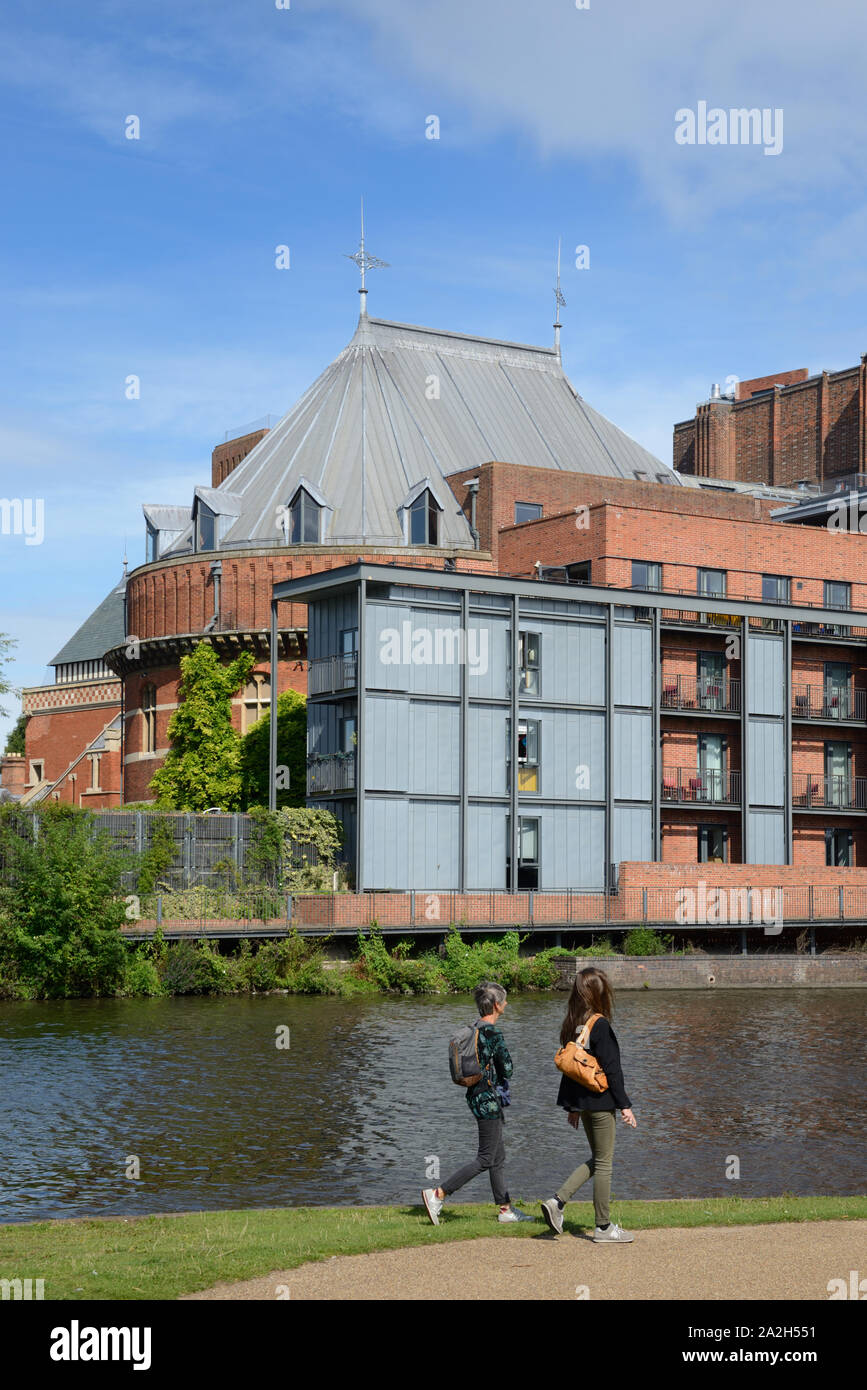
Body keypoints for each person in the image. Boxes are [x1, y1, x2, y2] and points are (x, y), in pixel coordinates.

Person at [422, 981, 534, 1225]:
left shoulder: (473, 1028)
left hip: (475, 1094)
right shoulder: (492, 1032)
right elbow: (508, 1068)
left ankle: (505, 1210)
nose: (506, 1004)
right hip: (487, 1100)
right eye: (504, 1001)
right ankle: (438, 1194)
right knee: (485, 1157)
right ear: (496, 1005)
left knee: (498, 1156)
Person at [540, 966, 637, 1242]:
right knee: (605, 1163)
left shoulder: (573, 1022)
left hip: (583, 1104)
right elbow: (612, 1069)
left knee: (598, 1159)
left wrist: (572, 1107)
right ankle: (603, 1227)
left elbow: (571, 1068)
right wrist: (625, 1105)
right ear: (599, 993)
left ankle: (557, 1202)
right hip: (601, 1102)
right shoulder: (601, 1025)